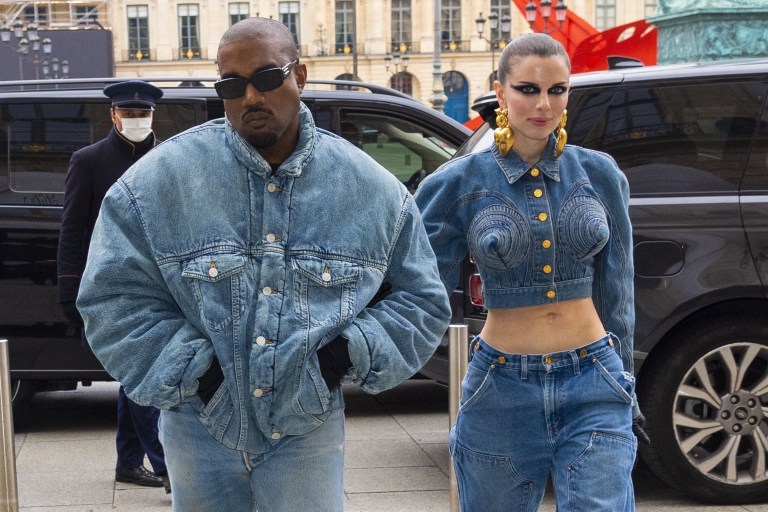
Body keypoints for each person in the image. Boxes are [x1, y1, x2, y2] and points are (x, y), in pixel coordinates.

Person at [76, 16, 450, 512]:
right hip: (197, 427)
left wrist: (340, 357)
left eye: (268, 77)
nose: (251, 96)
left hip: (308, 431)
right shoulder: (157, 185)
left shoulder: (371, 190)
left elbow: (421, 301)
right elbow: (110, 298)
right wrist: (199, 376)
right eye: (232, 85)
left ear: (300, 76)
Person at [415, 33, 641, 511]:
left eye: (557, 90)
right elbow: (417, 281)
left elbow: (617, 289)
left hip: (593, 378)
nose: (544, 104)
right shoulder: (458, 183)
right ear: (500, 92)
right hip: (501, 385)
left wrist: (623, 377)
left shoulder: (600, 174)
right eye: (528, 89)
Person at [57, 79, 170, 494]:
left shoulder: (168, 156)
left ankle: (128, 462)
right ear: (113, 114)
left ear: (153, 115)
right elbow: (72, 230)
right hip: (115, 287)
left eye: (143, 114)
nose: (137, 119)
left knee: (133, 373)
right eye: (129, 113)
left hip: (162, 286)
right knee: (143, 371)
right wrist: (69, 288)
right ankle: (166, 465)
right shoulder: (89, 160)